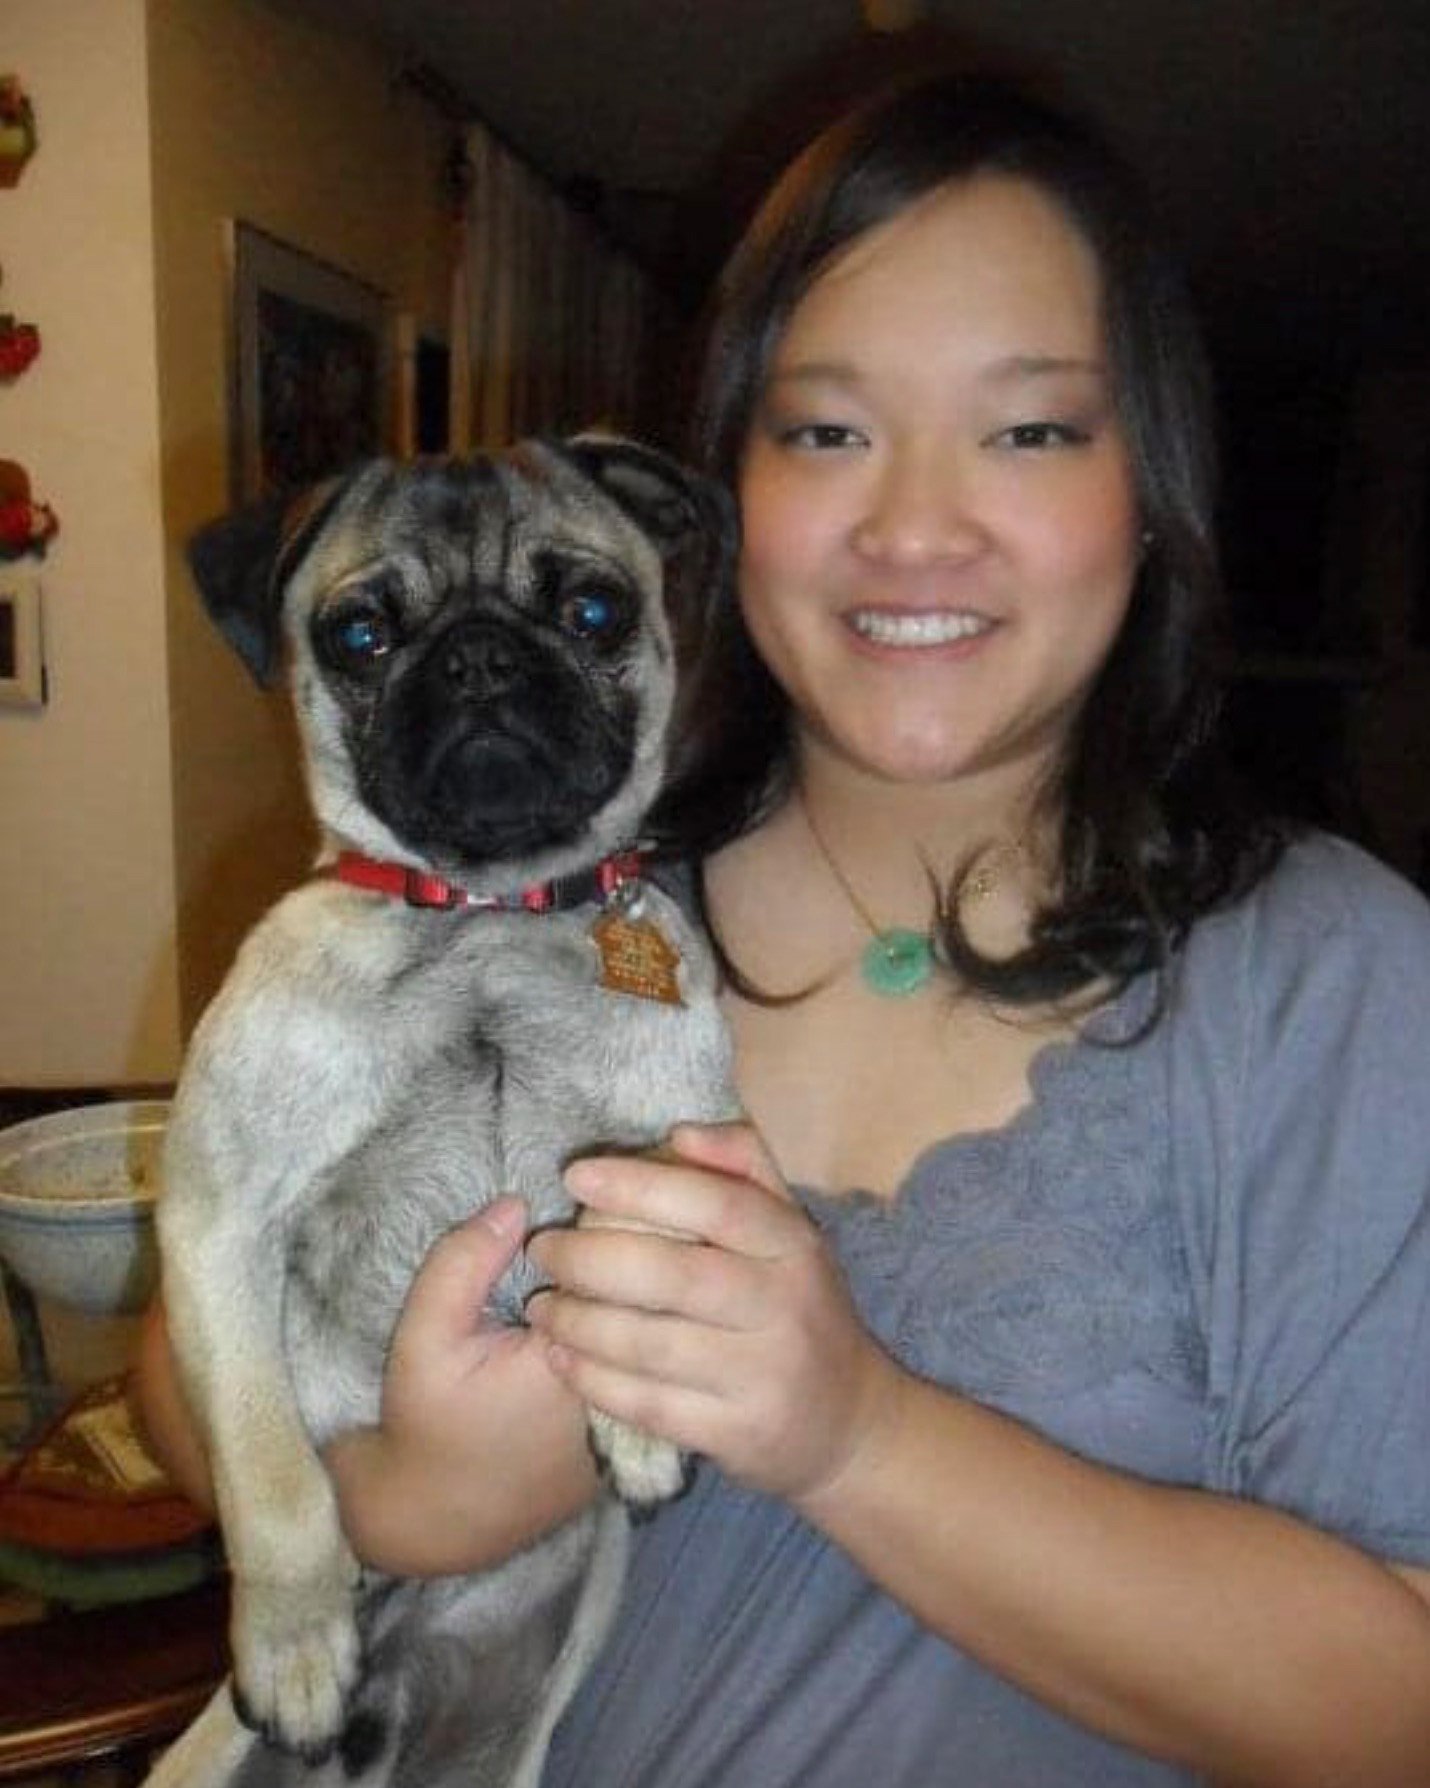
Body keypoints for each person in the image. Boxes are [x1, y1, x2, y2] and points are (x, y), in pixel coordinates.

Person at [139, 74, 1430, 1786]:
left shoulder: (1326, 979)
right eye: (825, 430)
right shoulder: (550, 902)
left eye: (1031, 429)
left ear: (1150, 485)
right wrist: (397, 1499)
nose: (914, 523)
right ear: (717, 500)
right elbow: (180, 1358)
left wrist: (857, 1436)